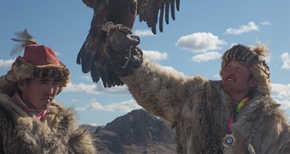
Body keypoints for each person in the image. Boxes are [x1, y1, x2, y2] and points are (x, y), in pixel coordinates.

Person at [104, 24, 290, 154]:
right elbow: (160, 87)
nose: (230, 72)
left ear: (253, 81)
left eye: (238, 68)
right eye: (228, 67)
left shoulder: (271, 122)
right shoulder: (198, 94)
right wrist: (130, 61)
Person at [0, 29, 96, 154]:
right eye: (43, 82)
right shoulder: (4, 122)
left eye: (55, 83)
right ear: (22, 83)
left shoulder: (66, 125)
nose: (51, 90)